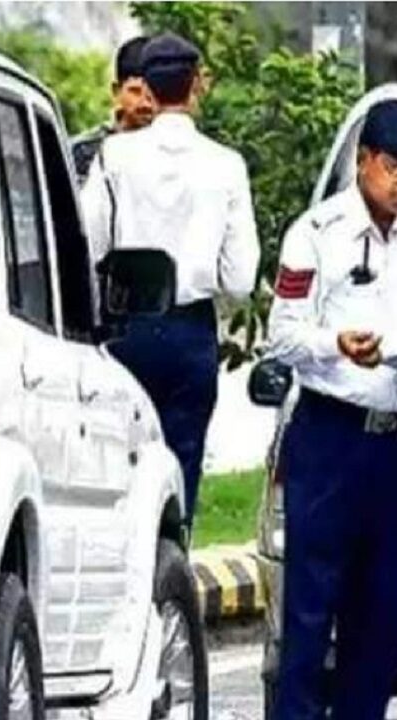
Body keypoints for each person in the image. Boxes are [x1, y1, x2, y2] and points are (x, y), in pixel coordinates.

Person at [265, 98, 397, 720]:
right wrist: (337, 345)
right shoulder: (315, 235)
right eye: (395, 168)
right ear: (364, 161)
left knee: (381, 616)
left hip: (393, 445)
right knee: (309, 611)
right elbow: (280, 335)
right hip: (330, 439)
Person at [83, 32, 260, 531]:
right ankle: (172, 573)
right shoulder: (227, 165)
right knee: (182, 465)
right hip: (190, 332)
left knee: (121, 465)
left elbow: (90, 244)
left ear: (150, 90)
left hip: (126, 327)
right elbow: (242, 278)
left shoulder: (113, 157)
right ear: (196, 86)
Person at [71, 35, 153, 179]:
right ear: (116, 91)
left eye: (153, 93)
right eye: (135, 91)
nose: (145, 103)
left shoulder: (175, 154)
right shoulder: (83, 151)